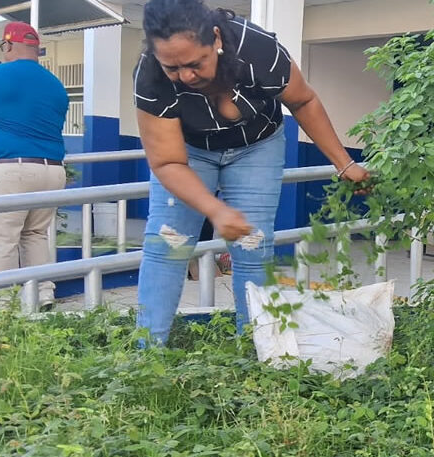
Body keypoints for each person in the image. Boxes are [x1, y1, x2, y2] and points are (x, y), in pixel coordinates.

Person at [133, 0, 369, 344]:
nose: (185, 76)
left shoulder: (258, 51)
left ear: (215, 38)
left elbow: (302, 101)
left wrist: (344, 163)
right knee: (167, 244)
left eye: (195, 63)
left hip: (257, 146)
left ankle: (255, 349)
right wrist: (216, 211)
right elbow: (168, 162)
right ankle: (146, 354)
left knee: (253, 246)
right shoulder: (151, 76)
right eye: (173, 67)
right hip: (189, 153)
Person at [0, 22, 69, 311]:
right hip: (52, 171)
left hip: (11, 170)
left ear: (7, 46)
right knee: (34, 235)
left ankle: (2, 304)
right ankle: (43, 294)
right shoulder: (55, 84)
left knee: (2, 240)